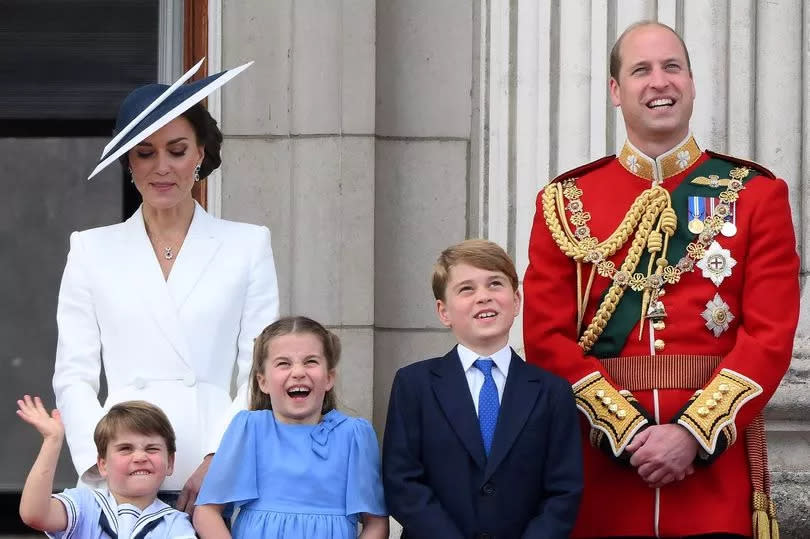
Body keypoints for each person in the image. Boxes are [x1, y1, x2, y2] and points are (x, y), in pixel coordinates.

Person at [523, 21, 799, 538]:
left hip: (711, 480)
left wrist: (692, 435)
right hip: (602, 478)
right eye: (640, 70)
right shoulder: (565, 202)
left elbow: (769, 336)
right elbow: (545, 339)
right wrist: (626, 432)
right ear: (615, 90)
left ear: (691, 83)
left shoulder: (755, 195)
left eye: (672, 67)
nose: (659, 82)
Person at [52, 58, 280, 514]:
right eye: (145, 152)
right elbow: (73, 376)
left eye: (177, 150)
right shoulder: (90, 250)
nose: (162, 168)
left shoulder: (247, 244)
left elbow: (261, 368)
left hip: (213, 472)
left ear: (200, 154)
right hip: (118, 472)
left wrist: (220, 456)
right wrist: (104, 463)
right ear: (127, 161)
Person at [383, 239, 583, 538]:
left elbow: (563, 491)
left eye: (495, 284)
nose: (483, 297)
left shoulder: (552, 391)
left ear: (516, 301)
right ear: (443, 311)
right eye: (466, 289)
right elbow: (402, 482)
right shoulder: (414, 385)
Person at [193, 316, 389, 539]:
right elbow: (207, 512)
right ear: (262, 381)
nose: (298, 372)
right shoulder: (249, 430)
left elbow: (376, 523)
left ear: (329, 378)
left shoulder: (354, 436)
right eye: (283, 363)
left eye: (310, 362)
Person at [17, 396, 195, 537]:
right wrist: (52, 441)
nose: (140, 457)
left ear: (170, 463)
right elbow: (35, 514)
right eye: (125, 448)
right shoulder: (84, 505)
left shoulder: (175, 524)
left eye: (152, 449)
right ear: (103, 464)